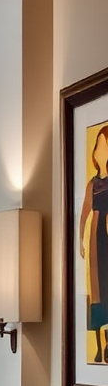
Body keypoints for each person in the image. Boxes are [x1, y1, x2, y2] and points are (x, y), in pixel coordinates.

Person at [79, 123, 108, 363]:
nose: (99, 150)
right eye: (97, 146)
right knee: (96, 291)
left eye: (103, 145)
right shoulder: (92, 184)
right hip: (96, 237)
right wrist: (80, 239)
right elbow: (84, 214)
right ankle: (99, 345)